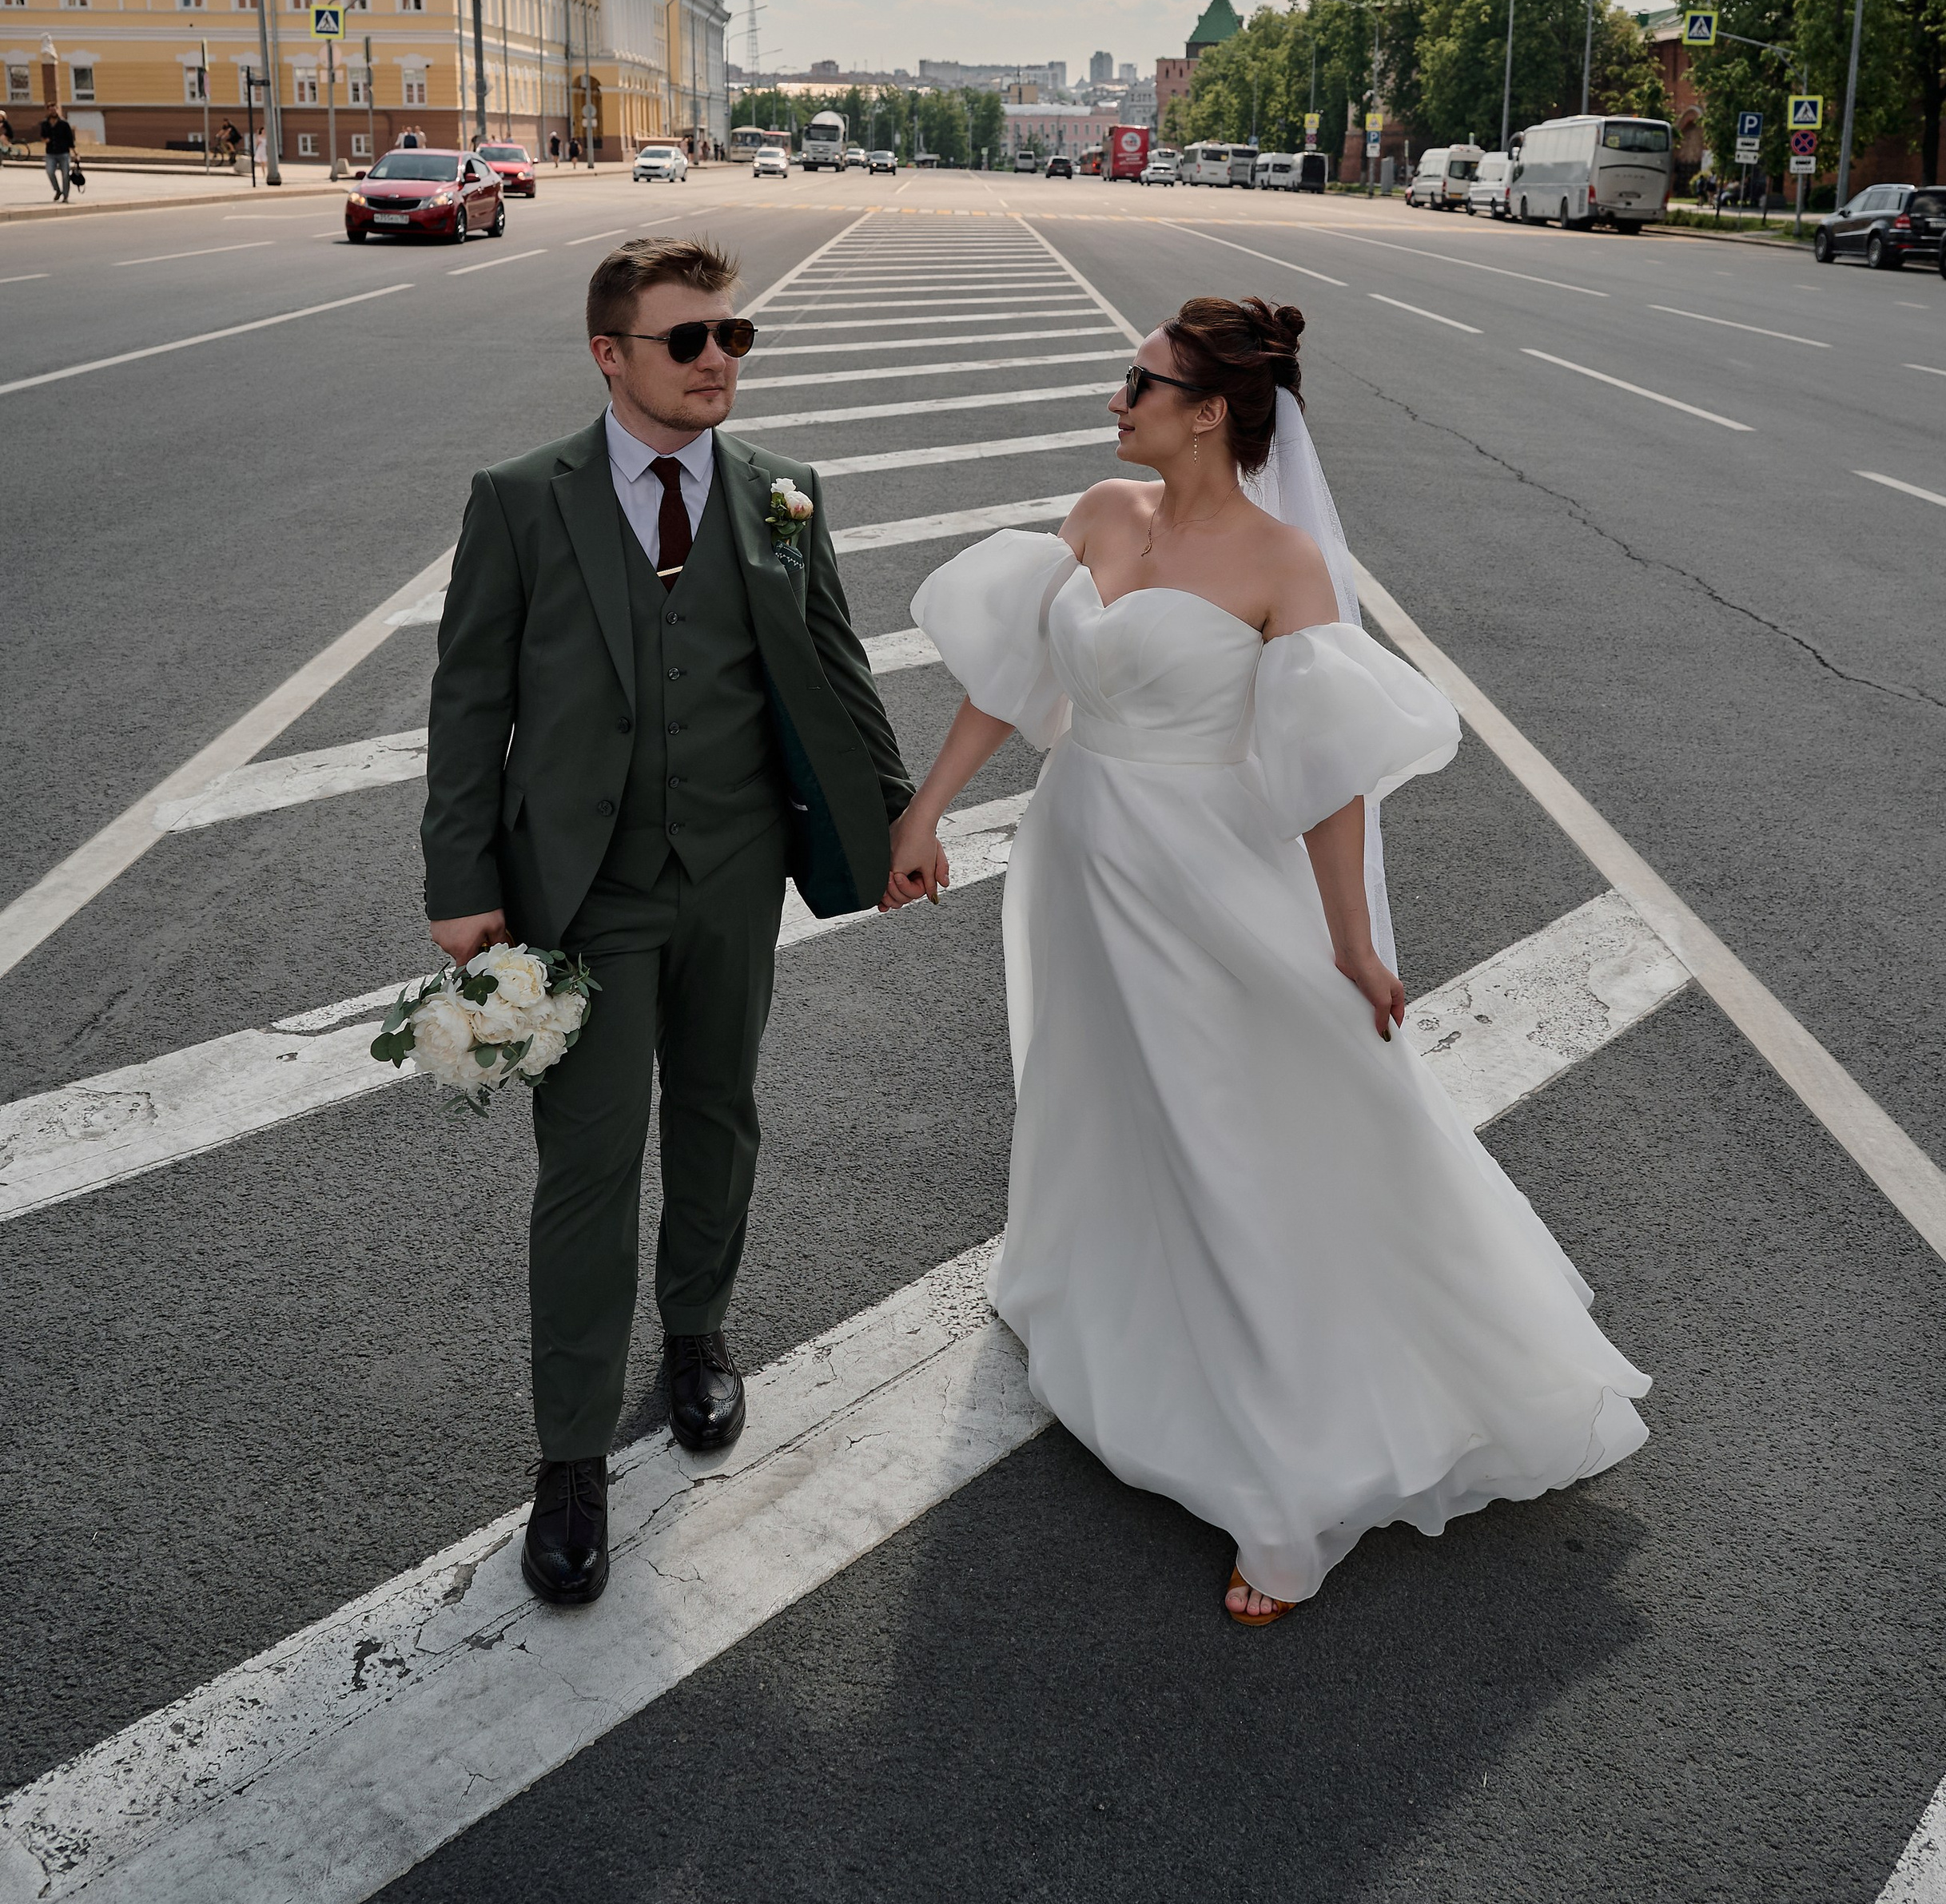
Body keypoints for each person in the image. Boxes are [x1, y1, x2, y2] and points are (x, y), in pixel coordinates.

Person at [889, 296, 1650, 1625]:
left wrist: (1349, 937)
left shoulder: (1283, 561)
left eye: (1143, 381)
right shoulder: (1102, 511)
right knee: (1095, 1087)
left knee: (1219, 1138)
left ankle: (1285, 1491)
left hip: (1201, 875)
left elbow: (1324, 769)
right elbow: (1012, 677)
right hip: (1078, 855)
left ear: (1212, 409)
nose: (1117, 395)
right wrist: (927, 807)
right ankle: (1106, 1299)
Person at [421, 237, 916, 1610]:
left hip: (734, 874)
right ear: (610, 355)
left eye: (733, 337)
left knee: (718, 1108)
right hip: (583, 889)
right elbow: (469, 705)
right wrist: (460, 881)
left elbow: (836, 667)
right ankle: (571, 1455)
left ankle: (696, 1331)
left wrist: (895, 825)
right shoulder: (523, 500)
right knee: (587, 1165)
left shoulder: (781, 494)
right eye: (689, 339)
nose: (718, 361)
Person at [39, 106, 75, 202]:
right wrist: (45, 140)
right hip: (51, 153)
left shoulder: (64, 123)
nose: (53, 111)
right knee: (50, 171)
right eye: (51, 110)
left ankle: (66, 196)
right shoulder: (45, 124)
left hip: (64, 152)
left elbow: (70, 139)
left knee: (65, 175)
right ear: (48, 111)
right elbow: (42, 137)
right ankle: (57, 190)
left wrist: (75, 152)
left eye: (54, 110)